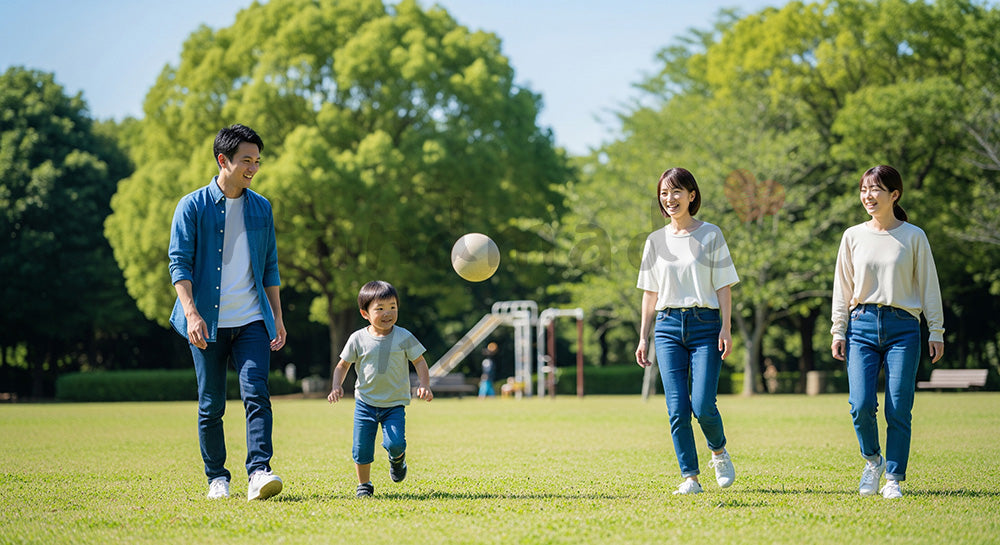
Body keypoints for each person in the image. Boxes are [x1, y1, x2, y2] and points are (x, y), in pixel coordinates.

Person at [168, 124, 287, 501]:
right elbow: (179, 263)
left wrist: (277, 316)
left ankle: (259, 471)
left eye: (257, 161)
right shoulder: (192, 206)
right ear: (223, 160)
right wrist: (191, 313)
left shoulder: (262, 207)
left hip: (252, 319)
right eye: (246, 160)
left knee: (257, 394)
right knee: (211, 404)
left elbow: (270, 265)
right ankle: (217, 477)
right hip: (206, 322)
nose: (253, 168)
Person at [831, 165, 944, 499]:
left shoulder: (914, 236)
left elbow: (929, 286)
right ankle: (872, 460)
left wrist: (936, 330)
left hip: (903, 328)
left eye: (875, 189)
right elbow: (842, 287)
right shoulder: (853, 236)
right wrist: (838, 330)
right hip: (861, 326)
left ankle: (893, 477)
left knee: (898, 407)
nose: (868, 196)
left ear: (894, 195)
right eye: (864, 189)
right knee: (860, 404)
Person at [635, 167, 740, 495]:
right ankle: (690, 477)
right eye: (664, 193)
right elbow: (650, 293)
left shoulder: (711, 234)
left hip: (705, 326)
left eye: (677, 191)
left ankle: (718, 452)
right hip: (667, 327)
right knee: (677, 408)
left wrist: (726, 327)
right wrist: (643, 336)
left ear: (691, 195)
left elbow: (723, 286)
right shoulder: (655, 241)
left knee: (703, 405)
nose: (670, 199)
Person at [327, 280, 434, 497]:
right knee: (361, 448)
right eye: (380, 308)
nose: (388, 313)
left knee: (396, 443)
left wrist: (424, 384)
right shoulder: (357, 339)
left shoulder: (404, 336)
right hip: (365, 403)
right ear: (365, 313)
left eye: (393, 307)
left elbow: (420, 361)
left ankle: (397, 460)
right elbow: (342, 365)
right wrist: (336, 386)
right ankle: (364, 485)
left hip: (394, 404)